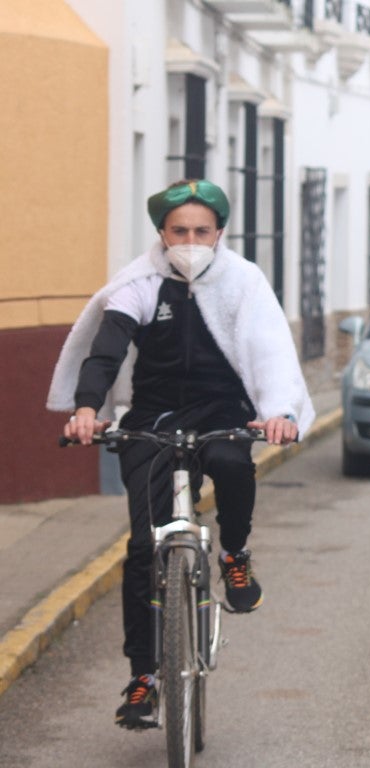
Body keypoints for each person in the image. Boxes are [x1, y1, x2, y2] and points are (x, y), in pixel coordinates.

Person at [46, 179, 315, 730]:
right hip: (154, 416)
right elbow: (105, 350)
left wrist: (280, 412)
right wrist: (87, 409)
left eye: (201, 231)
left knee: (235, 465)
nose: (189, 240)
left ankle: (235, 557)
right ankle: (143, 677)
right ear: (161, 234)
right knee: (143, 548)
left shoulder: (243, 281)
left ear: (219, 233)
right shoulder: (140, 284)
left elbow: (269, 349)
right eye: (178, 231)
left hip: (222, 410)